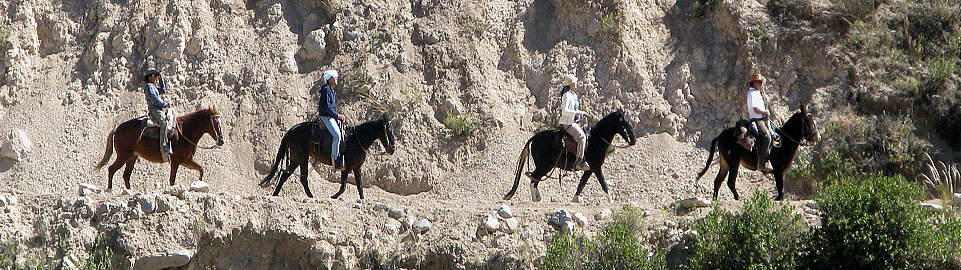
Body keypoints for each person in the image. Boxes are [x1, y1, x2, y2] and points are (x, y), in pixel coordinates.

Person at [558, 74, 590, 170]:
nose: (576, 83)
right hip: (567, 122)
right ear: (571, 83)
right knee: (582, 137)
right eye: (574, 82)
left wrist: (581, 114)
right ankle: (579, 161)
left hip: (573, 121)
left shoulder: (573, 95)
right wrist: (577, 113)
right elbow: (565, 111)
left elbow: (574, 108)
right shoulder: (566, 95)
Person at [319, 70, 346, 171]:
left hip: (330, 116)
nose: (337, 79)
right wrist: (337, 115)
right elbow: (327, 108)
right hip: (326, 117)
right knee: (337, 135)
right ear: (329, 79)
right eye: (335, 77)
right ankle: (335, 159)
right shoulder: (326, 90)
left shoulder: (330, 90)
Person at [143, 68, 173, 160]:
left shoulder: (154, 87)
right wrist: (164, 104)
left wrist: (161, 80)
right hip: (154, 109)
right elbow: (154, 99)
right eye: (155, 76)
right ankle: (163, 146)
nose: (155, 78)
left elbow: (163, 90)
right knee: (163, 122)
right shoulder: (149, 86)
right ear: (150, 76)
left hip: (159, 109)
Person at [747, 73, 774, 172]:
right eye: (757, 82)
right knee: (767, 137)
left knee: (774, 134)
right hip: (757, 119)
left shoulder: (756, 93)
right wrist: (765, 112)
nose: (759, 84)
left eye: (760, 82)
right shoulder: (752, 93)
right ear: (753, 83)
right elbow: (755, 109)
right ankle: (762, 162)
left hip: (761, 118)